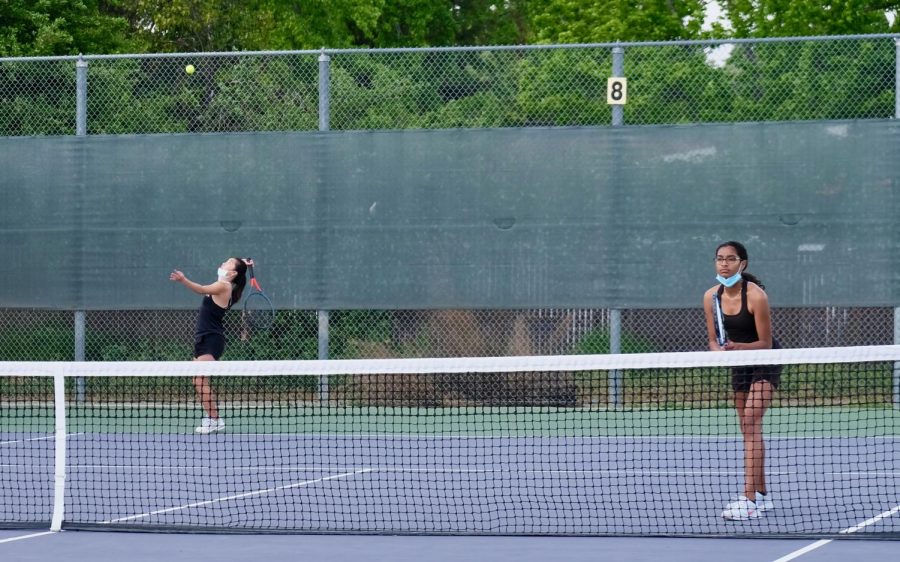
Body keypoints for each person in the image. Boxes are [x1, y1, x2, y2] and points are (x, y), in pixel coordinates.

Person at [703, 241, 780, 521]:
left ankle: (748, 499)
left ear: (742, 264)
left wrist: (738, 348)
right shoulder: (711, 297)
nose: (724, 264)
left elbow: (766, 343)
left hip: (764, 360)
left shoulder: (756, 296)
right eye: (720, 259)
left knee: (750, 420)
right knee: (748, 428)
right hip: (738, 363)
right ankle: (762, 496)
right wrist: (719, 352)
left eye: (731, 259)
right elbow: (713, 340)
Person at [170, 257, 248, 434]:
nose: (223, 262)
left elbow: (201, 289)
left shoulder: (224, 287)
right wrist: (242, 264)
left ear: (233, 273)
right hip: (205, 338)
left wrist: (183, 280)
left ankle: (214, 419)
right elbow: (232, 274)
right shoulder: (226, 285)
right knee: (197, 379)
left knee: (199, 379)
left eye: (228, 262)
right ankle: (213, 417)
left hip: (211, 339)